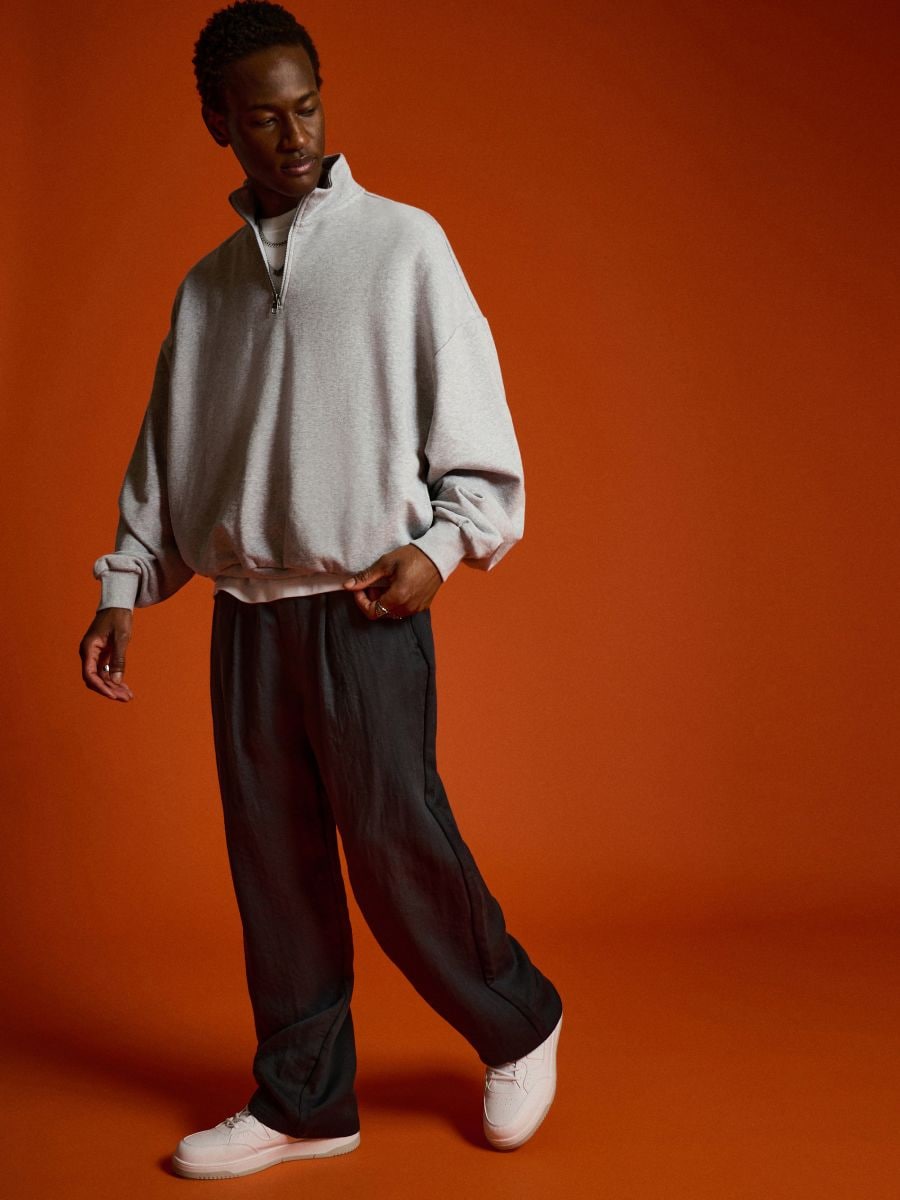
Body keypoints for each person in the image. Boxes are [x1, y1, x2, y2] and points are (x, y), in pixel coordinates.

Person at [79, 0, 563, 1180]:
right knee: (274, 862)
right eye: (265, 118)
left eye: (308, 108)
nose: (295, 136)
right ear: (219, 124)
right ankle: (305, 1100)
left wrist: (440, 549)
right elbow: (171, 459)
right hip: (248, 616)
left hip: (365, 605)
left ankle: (519, 1022)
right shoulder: (206, 291)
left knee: (394, 844)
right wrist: (123, 585)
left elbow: (479, 439)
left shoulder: (404, 247)